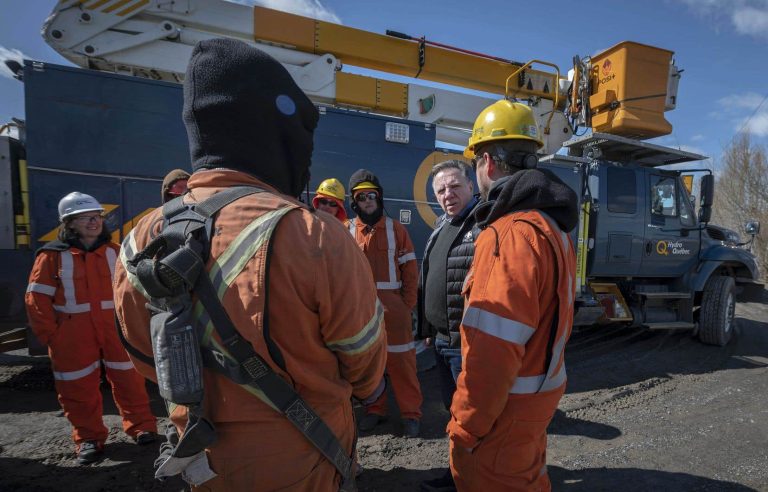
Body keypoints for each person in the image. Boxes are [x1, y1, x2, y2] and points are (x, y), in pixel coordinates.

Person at [113, 39, 386, 491]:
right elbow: (362, 362)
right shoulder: (315, 234)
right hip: (304, 461)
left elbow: (146, 358)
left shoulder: (141, 237)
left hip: (200, 462)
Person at [447, 100, 578, 491]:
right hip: (530, 409)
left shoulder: (508, 234)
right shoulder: (551, 227)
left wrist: (465, 426)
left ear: (487, 163)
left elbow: (494, 350)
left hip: (499, 419)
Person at [25, 191, 157, 465]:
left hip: (115, 328)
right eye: (85, 218)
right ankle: (88, 438)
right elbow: (36, 299)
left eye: (96, 217)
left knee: (130, 379)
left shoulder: (116, 251)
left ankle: (142, 426)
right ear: (69, 223)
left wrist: (136, 325)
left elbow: (134, 291)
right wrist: (53, 336)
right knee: (77, 387)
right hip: (73, 335)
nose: (94, 222)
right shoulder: (51, 256)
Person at [417, 159, 480, 492]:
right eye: (440, 189)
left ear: (471, 185)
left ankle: (472, 478)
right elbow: (428, 280)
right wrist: (427, 330)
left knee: (470, 417)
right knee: (453, 414)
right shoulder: (442, 225)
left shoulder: (483, 223)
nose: (447, 194)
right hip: (441, 341)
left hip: (464, 345)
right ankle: (459, 473)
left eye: (455, 186)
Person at [348, 170, 423, 438]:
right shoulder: (345, 230)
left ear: (379, 198)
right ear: (354, 201)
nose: (368, 200)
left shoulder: (396, 229)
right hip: (360, 310)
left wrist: (406, 306)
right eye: (361, 196)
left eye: (372, 195)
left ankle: (411, 414)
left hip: (394, 311)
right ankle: (375, 410)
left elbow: (410, 270)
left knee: (402, 363)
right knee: (369, 363)